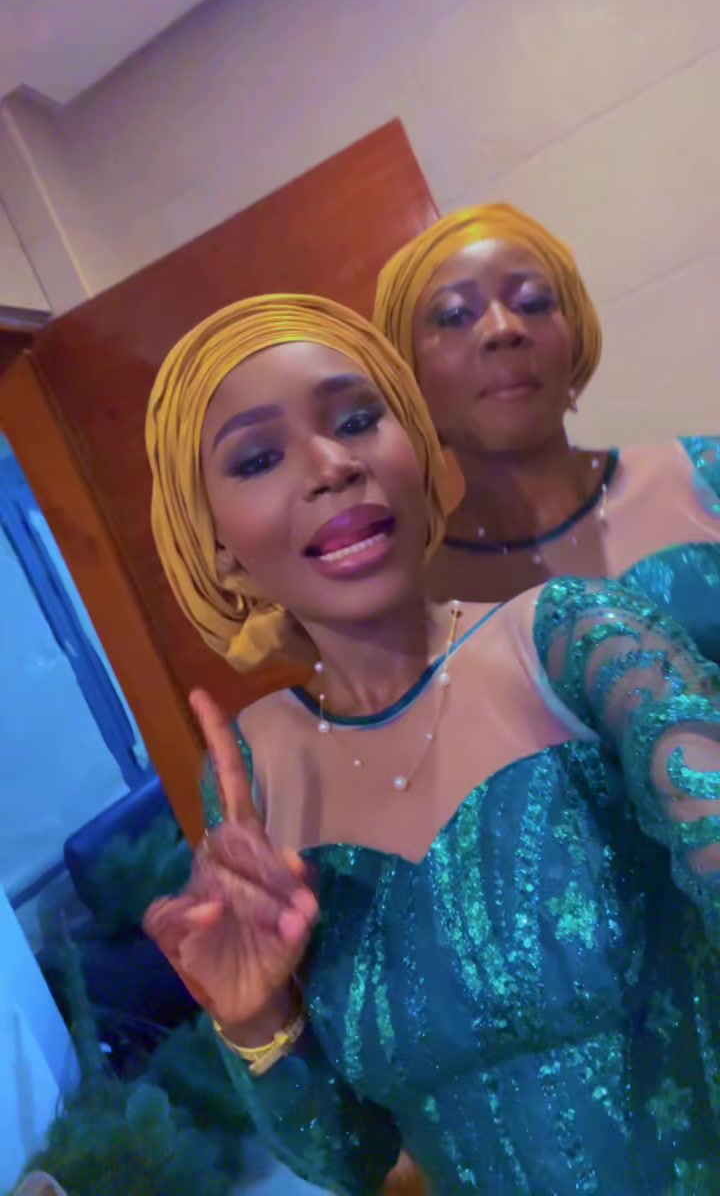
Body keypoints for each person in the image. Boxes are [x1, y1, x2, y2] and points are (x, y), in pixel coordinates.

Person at [143, 293, 720, 1196]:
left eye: (357, 421)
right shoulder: (254, 778)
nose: (332, 465)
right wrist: (256, 1024)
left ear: (417, 451)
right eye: (257, 458)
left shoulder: (580, 643)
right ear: (216, 546)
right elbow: (349, 1156)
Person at [373, 205, 720, 662]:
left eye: (534, 302)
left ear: (575, 336)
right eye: (455, 315)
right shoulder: (410, 601)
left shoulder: (706, 475)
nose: (503, 329)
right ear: (407, 372)